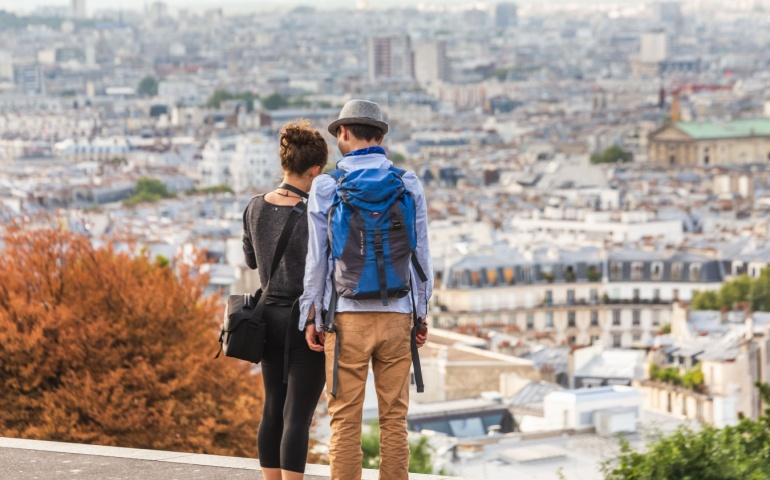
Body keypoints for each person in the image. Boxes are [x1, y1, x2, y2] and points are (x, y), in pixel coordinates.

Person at [299, 99, 433, 480]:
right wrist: (420, 314)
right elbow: (421, 255)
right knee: (394, 418)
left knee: (344, 420)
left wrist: (310, 315)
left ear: (343, 133)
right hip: (397, 313)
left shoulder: (327, 186)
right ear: (380, 135)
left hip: (345, 318)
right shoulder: (407, 183)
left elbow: (318, 262)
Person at [242, 121, 328, 480]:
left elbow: (251, 260)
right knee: (298, 415)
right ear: (314, 170)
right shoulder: (314, 212)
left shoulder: (254, 206)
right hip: (303, 319)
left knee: (272, 408)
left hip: (267, 317)